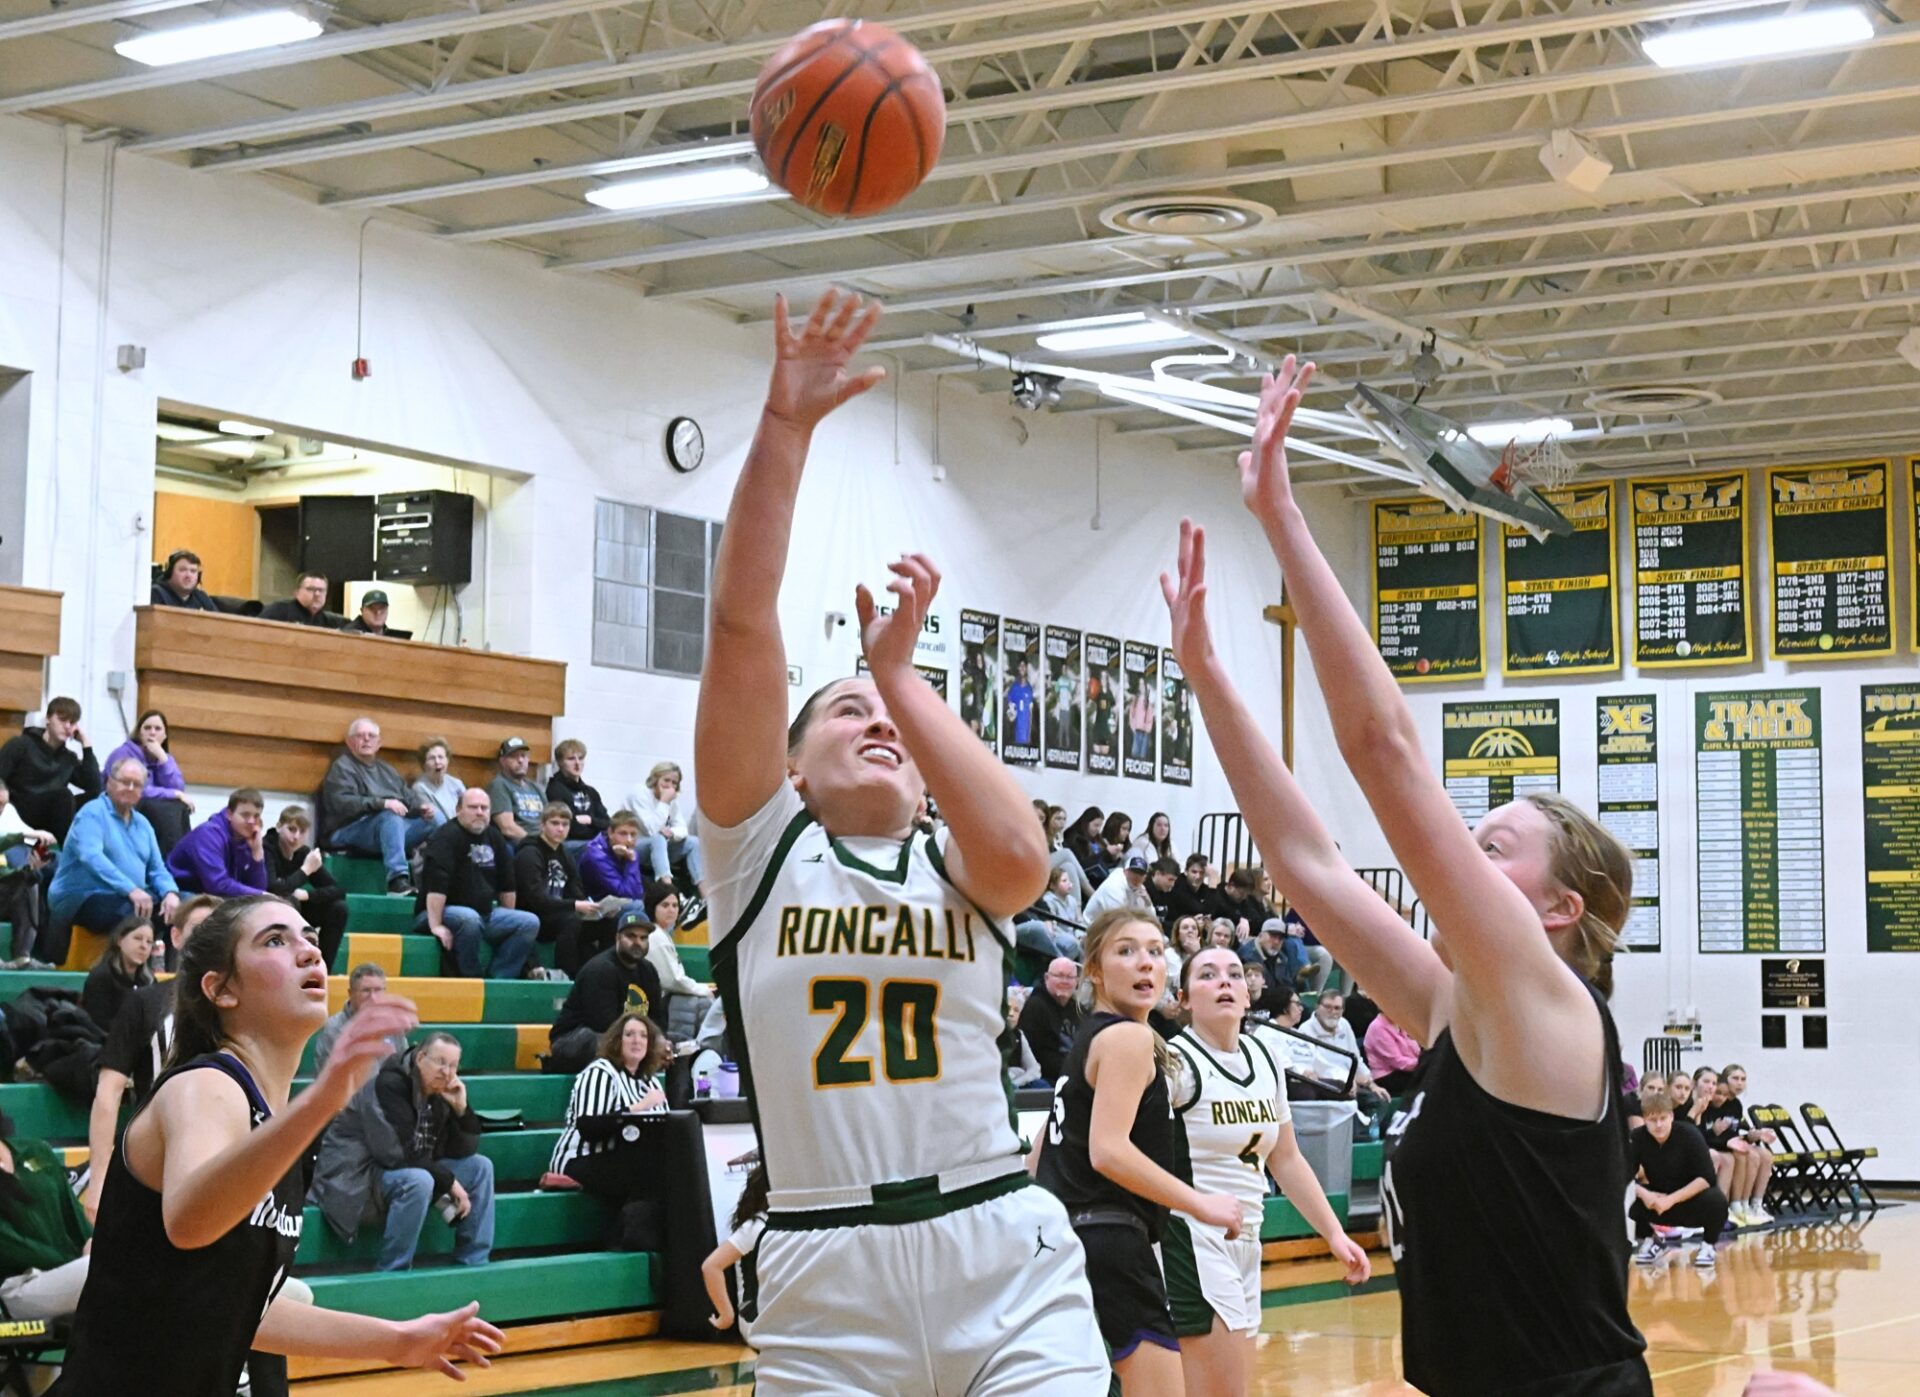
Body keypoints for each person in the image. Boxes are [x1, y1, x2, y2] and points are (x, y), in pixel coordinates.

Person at [1160, 356, 1649, 1395]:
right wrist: (1206, 677)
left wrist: (1285, 517)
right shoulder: (1454, 1005)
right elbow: (1303, 861)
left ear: (1561, 907)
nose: (1463, 851)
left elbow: (1383, 746)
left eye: (1494, 846)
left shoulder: (1545, 1001)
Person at [694, 290, 1105, 1395]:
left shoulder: (959, 863)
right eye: (845, 712)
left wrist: (897, 674)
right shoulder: (756, 854)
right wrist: (784, 430)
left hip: (1000, 1248)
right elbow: (741, 622)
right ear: (789, 767)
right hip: (828, 1270)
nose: (875, 723)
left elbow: (1020, 848)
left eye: (894, 726)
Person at [54, 894, 501, 1394]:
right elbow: (189, 1220)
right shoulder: (204, 1085)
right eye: (275, 940)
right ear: (221, 990)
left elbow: (243, 1308)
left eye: (309, 937)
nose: (310, 951)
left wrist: (398, 1341)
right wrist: (322, 1100)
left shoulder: (274, 1129)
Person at [1034, 910, 1241, 1396]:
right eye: (1126, 951)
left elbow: (1042, 1148)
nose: (1145, 963)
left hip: (1060, 1241)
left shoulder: (1087, 1041)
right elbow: (1108, 1152)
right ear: (1096, 970)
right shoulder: (1127, 1037)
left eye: (1154, 951)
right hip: (1112, 1240)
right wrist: (1200, 1203)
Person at [1165, 948, 1368, 1395]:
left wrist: (1334, 1234)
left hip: (1248, 1237)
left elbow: (1287, 1158)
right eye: (1208, 975)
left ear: (1247, 994)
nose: (1224, 982)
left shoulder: (1264, 1056)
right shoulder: (1173, 1063)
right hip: (1191, 1237)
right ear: (1184, 998)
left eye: (1234, 974)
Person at [82, 895, 221, 1221]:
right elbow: (108, 1092)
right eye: (199, 928)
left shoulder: (243, 1007)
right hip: (153, 1165)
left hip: (222, 1164)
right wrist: (99, 1179)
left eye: (218, 929)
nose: (208, 936)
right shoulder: (145, 1002)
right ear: (175, 936)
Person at [366, 1033, 495, 1271]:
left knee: (480, 1167)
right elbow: (400, 1153)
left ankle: (474, 1264)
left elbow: (462, 1151)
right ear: (420, 1058)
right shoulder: (390, 1084)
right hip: (373, 1171)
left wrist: (461, 1109)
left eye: (453, 1066)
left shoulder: (439, 1091)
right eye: (440, 1062)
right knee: (420, 1180)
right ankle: (393, 1271)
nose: (446, 1072)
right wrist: (450, 1182)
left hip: (420, 1166)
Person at [46, 757, 180, 959]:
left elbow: (156, 868)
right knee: (130, 912)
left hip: (128, 896)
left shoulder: (143, 824)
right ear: (109, 782)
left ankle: (168, 977)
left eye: (137, 785)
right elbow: (91, 857)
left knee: (183, 909)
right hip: (82, 897)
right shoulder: (91, 814)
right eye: (125, 782)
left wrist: (170, 893)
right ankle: (118, 974)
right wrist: (131, 889)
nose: (130, 788)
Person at [415, 788, 538, 980]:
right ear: (458, 810)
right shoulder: (446, 837)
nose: (480, 812)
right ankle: (470, 978)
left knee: (528, 922)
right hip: (438, 912)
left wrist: (508, 915)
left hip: (484, 915)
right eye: (473, 807)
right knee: (468, 919)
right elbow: (436, 885)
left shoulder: (494, 837)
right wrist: (436, 925)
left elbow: (508, 885)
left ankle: (500, 979)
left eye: (484, 808)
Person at [545, 1012, 671, 1200]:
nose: (637, 1040)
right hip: (580, 1157)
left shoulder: (650, 1082)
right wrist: (639, 1107)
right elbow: (590, 1127)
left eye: (643, 1036)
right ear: (616, 1041)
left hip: (624, 1158)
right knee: (646, 1176)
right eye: (629, 1035)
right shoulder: (600, 1072)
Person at [0, 1106, 96, 1321]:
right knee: (104, 1268)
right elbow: (13, 1249)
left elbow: (78, 1222)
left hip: (74, 1269)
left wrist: (92, 1242)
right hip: (18, 1288)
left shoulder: (36, 1151)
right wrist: (79, 1260)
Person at [322, 718, 432, 894]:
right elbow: (341, 804)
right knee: (391, 817)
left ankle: (435, 884)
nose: (366, 739)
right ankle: (397, 880)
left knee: (436, 821)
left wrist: (422, 808)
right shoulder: (342, 767)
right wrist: (383, 803)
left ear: (379, 742)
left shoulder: (387, 770)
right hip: (348, 829)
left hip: (386, 828)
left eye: (371, 736)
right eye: (360, 736)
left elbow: (408, 797)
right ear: (350, 742)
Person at [546, 910, 665, 1074]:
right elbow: (604, 1025)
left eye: (643, 938)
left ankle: (671, 1098)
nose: (638, 942)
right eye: (631, 936)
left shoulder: (648, 970)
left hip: (623, 1037)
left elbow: (657, 1018)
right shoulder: (601, 969)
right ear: (617, 938)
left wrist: (661, 1041)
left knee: (677, 1044)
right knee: (598, 1040)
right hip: (573, 1042)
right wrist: (644, 1043)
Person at [1630, 1085, 1729, 1268]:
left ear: (1672, 1117)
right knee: (1623, 1197)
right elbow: (1624, 1177)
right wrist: (1646, 1195)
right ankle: (1651, 1242)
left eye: (1663, 1118)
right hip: (1658, 1200)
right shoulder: (1637, 1138)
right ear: (1644, 1120)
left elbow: (1707, 1178)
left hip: (1689, 1199)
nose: (1658, 1125)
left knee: (1718, 1200)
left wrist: (1671, 1200)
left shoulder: (1689, 1134)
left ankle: (1708, 1245)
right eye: (1653, 1120)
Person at [513, 802, 610, 977]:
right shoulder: (529, 853)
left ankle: (604, 974)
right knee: (572, 920)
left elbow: (576, 890)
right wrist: (574, 905)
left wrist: (597, 909)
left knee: (608, 922)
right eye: (555, 823)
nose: (560, 829)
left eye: (565, 824)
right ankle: (566, 976)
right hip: (536, 917)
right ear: (542, 825)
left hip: (561, 912)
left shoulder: (565, 853)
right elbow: (534, 899)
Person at [0, 697, 101, 843]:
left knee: (94, 800)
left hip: (52, 812)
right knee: (64, 796)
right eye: (62, 720)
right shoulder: (21, 744)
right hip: (19, 808)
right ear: (48, 719)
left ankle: (69, 848)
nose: (67, 726)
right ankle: (62, 850)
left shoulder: (68, 758)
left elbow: (94, 787)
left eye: (72, 723)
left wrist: (86, 744)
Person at [264, 803, 350, 972]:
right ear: (279, 826)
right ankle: (288, 967)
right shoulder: (266, 848)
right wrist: (306, 870)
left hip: (298, 907)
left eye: (302, 832)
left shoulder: (303, 853)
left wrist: (308, 895)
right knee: (290, 901)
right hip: (270, 910)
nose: (296, 836)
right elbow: (274, 889)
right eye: (292, 829)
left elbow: (338, 891)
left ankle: (322, 968)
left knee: (339, 908)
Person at [103, 710, 194, 854]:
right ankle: (168, 861)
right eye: (147, 728)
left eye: (157, 729)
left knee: (179, 807)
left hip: (153, 807)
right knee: (166, 809)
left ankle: (181, 860)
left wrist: (163, 760)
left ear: (164, 736)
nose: (152, 733)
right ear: (139, 733)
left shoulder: (165, 757)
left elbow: (178, 788)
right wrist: (173, 793)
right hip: (125, 803)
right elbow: (135, 789)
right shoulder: (124, 753)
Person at [701, 1162, 769, 1338]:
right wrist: (726, 1315)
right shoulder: (755, 1227)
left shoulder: (788, 1223)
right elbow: (711, 1266)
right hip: (757, 1318)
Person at [166, 788, 269, 899]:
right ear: (229, 814)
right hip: (179, 891)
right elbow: (217, 885)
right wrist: (260, 894)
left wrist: (257, 853)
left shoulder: (248, 838)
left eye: (256, 816)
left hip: (211, 895)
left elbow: (257, 890)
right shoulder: (208, 835)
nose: (251, 821)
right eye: (245, 815)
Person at [1704, 1064, 1775, 1227]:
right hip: (1718, 1146)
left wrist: (1751, 1137)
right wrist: (1728, 1139)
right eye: (1735, 1079)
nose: (1740, 1083)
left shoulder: (1736, 1105)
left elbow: (1733, 1134)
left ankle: (1754, 1204)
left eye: (1743, 1079)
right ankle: (1737, 1204)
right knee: (1747, 1154)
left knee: (1766, 1155)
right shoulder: (1712, 1103)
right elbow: (1712, 1134)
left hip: (1727, 1144)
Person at [640, 883, 711, 1041]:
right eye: (665, 905)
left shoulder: (662, 933)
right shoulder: (656, 936)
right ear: (653, 907)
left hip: (664, 999)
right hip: (656, 1002)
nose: (671, 910)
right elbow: (673, 980)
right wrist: (703, 989)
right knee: (702, 1001)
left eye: (675, 905)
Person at [627, 761, 704, 895]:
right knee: (658, 838)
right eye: (666, 780)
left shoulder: (672, 800)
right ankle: (668, 890)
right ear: (655, 779)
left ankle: (705, 893)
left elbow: (682, 829)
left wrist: (672, 833)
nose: (670, 786)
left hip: (660, 847)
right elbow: (651, 829)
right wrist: (663, 802)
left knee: (693, 842)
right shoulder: (639, 793)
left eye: (674, 783)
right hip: (634, 847)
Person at [313, 964, 407, 1073]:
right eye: (366, 990)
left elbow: (403, 1070)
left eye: (378, 990)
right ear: (351, 993)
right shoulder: (333, 1028)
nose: (373, 997)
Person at [0, 777, 54, 966]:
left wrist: (29, 870)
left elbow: (4, 874)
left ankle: (23, 955)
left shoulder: (6, 814)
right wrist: (23, 836)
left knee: (28, 880)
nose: (1, 810)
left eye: (4, 805)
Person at [80, 912, 156, 1032]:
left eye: (149, 942)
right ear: (120, 940)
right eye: (137, 938)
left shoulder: (150, 980)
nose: (144, 946)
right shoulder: (101, 977)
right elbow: (97, 1024)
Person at [1017, 956, 1084, 1084]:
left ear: (1077, 982)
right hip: (1049, 1081)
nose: (1064, 981)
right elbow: (1036, 1056)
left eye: (1070, 977)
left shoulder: (1079, 1010)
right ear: (1047, 978)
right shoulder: (1035, 1006)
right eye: (1059, 976)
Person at [577, 810, 650, 908]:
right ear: (610, 832)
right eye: (623, 834)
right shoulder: (596, 856)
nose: (629, 840)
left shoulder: (629, 852)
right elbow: (625, 894)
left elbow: (637, 893)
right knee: (637, 906)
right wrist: (632, 861)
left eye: (633, 834)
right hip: (596, 909)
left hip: (617, 904)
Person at [546, 739, 609, 847]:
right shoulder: (555, 789)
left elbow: (608, 823)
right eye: (571, 759)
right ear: (560, 762)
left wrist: (590, 820)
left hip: (592, 842)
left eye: (581, 758)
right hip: (569, 843)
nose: (577, 763)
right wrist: (596, 829)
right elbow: (569, 828)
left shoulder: (591, 792)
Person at [485, 738, 545, 845]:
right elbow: (508, 828)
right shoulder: (499, 785)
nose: (520, 760)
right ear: (502, 761)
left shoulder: (535, 787)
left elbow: (550, 818)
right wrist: (537, 845)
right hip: (520, 843)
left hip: (544, 841)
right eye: (514, 757)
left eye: (523, 756)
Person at [1363, 1010, 1422, 1096]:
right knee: (1429, 1079)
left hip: (1404, 1070)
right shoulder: (1378, 1027)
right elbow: (1397, 1061)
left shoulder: (1400, 1023)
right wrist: (1423, 1063)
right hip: (1386, 1076)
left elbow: (1414, 1050)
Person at [258, 569, 343, 628]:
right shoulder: (278, 611)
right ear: (297, 592)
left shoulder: (329, 621)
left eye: (321, 590)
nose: (317, 594)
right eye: (311, 589)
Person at [408, 737, 462, 826]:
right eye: (432, 758)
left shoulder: (456, 783)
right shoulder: (419, 788)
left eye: (441, 757)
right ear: (424, 764)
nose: (437, 762)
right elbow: (436, 818)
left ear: (447, 760)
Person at [1085, 853, 1154, 923]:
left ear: (1145, 877)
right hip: (1089, 927)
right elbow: (1118, 920)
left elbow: (1151, 919)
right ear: (1125, 871)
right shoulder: (1114, 885)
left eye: (1141, 874)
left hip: (1111, 928)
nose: (1137, 876)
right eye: (1134, 872)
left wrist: (1148, 903)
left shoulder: (1140, 888)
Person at [149, 549, 219, 611]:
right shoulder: (156, 594)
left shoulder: (201, 597)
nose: (188, 575)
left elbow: (218, 623)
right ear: (169, 573)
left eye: (193, 571)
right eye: (182, 570)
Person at [1166, 855, 1213, 927]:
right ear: (1186, 871)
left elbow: (1212, 910)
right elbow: (1197, 908)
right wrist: (1213, 879)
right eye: (1194, 872)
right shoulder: (1178, 884)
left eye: (1201, 873)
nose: (1198, 876)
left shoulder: (1204, 888)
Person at [342, 589, 409, 638]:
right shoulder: (349, 634)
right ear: (362, 611)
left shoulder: (394, 637)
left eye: (382, 608)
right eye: (372, 608)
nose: (378, 612)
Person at [1005, 660, 1037, 753]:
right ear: (1018, 668)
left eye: (1024, 666)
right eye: (1020, 666)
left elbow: (1031, 712)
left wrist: (1031, 733)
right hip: (1015, 733)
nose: (1022, 668)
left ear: (1027, 669)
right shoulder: (1014, 688)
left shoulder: (1029, 689)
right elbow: (1009, 708)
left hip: (1027, 734)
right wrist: (1010, 716)